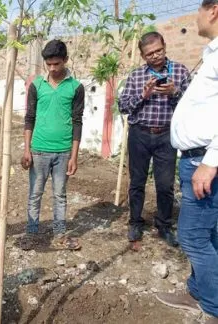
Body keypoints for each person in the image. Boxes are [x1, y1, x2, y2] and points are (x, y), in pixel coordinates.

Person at [156, 1, 218, 323]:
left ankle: (212, 307)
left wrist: (211, 162)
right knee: (208, 235)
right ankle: (198, 291)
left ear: (213, 10)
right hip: (196, 159)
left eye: (198, 9)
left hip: (204, 162)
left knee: (193, 236)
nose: (195, 17)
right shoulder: (211, 54)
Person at [118, 32, 190, 247]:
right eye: (150, 54)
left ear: (165, 47)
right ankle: (135, 222)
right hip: (139, 134)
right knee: (137, 182)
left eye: (159, 50)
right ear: (142, 55)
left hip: (166, 135)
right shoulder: (136, 76)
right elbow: (123, 106)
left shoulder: (180, 71)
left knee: (165, 184)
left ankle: (164, 225)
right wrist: (144, 95)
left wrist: (175, 92)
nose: (156, 56)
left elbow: (192, 105)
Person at [20, 39, 84, 250]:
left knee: (60, 195)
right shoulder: (37, 85)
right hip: (38, 151)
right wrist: (27, 149)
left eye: (57, 63)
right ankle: (31, 232)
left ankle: (60, 233)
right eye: (49, 64)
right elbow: (29, 118)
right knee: (35, 194)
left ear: (65, 60)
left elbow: (77, 122)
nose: (53, 68)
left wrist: (74, 156)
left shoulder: (76, 88)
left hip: (64, 152)